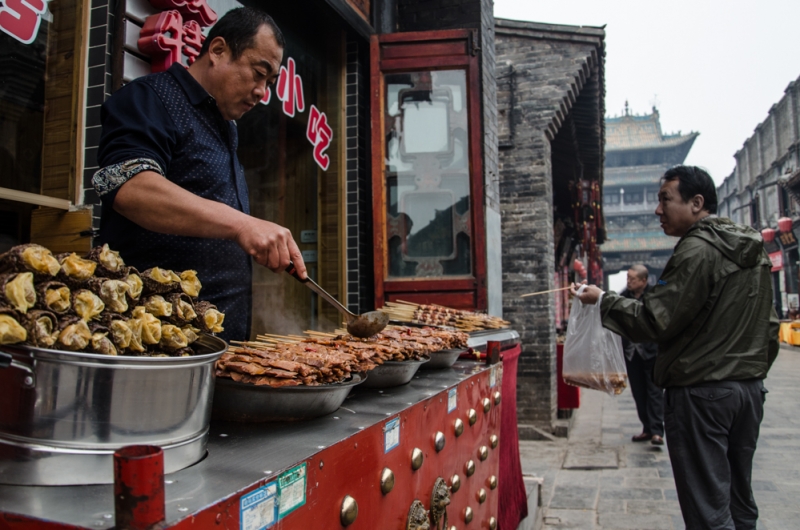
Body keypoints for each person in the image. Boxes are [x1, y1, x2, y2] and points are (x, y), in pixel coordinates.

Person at [571, 165, 779, 530]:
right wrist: (748, 371)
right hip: (748, 391)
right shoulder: (751, 249)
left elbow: (655, 319)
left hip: (702, 393)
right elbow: (770, 326)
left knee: (708, 509)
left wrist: (603, 300)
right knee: (739, 501)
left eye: (665, 199)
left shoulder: (697, 249)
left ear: (696, 203)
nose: (658, 210)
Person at [92, 7, 306, 342]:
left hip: (218, 339)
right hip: (154, 337)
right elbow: (130, 187)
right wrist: (242, 225)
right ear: (218, 50)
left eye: (269, 82)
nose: (262, 92)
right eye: (258, 73)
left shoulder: (226, 126)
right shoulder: (151, 98)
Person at [619, 264, 664, 446]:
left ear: (644, 281)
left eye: (632, 279)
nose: (629, 282)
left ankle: (657, 431)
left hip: (651, 352)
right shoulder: (623, 297)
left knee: (654, 392)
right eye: (628, 278)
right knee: (639, 393)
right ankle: (647, 428)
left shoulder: (654, 295)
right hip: (632, 353)